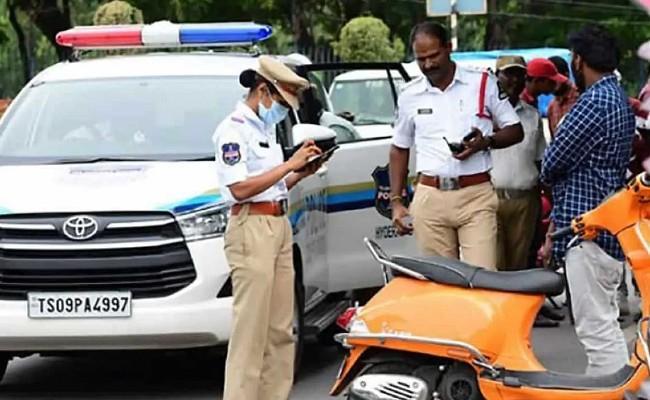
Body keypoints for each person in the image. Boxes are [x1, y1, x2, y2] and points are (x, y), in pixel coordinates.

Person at [213, 55, 322, 400]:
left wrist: (299, 173)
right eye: (281, 102)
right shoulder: (232, 129)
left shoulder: (264, 129)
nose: (283, 112)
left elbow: (271, 185)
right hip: (251, 227)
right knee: (251, 332)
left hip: (278, 223)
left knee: (281, 330)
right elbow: (240, 189)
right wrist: (290, 163)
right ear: (263, 91)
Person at [389, 21, 523, 270]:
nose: (428, 65)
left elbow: (515, 130)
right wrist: (396, 202)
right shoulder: (409, 94)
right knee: (440, 286)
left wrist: (486, 142)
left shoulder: (482, 83)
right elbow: (399, 148)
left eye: (433, 56)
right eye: (421, 59)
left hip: (476, 196)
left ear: (449, 48)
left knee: (482, 279)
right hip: (430, 198)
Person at [541, 24, 635, 376]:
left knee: (596, 329)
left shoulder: (592, 102)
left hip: (588, 228)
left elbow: (551, 163)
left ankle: (614, 392)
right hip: (605, 223)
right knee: (604, 322)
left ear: (578, 60)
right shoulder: (617, 97)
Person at [547, 56, 580, 138]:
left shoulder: (581, 99)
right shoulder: (552, 107)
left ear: (566, 75)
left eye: (554, 78)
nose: (551, 83)